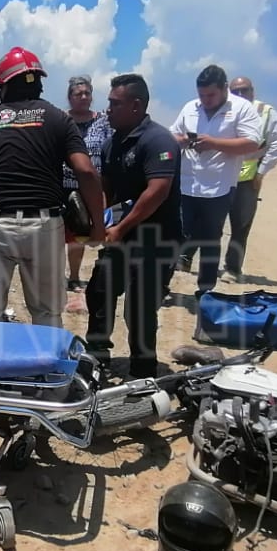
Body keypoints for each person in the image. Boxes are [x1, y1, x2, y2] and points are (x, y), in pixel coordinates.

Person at [0, 47, 105, 327]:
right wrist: (97, 225)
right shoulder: (58, 119)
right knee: (46, 314)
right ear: (39, 82)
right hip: (44, 225)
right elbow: (86, 171)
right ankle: (46, 370)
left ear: (0, 84)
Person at [85, 73, 183, 379]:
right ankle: (96, 359)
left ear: (136, 105)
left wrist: (120, 228)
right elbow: (107, 189)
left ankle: (143, 373)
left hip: (156, 241)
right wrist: (100, 222)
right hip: (122, 236)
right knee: (99, 291)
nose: (108, 109)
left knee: (139, 310)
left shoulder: (158, 141)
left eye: (115, 103)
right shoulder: (111, 143)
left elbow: (157, 192)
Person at [169, 65, 263, 298]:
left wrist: (213, 143)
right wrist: (184, 140)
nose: (205, 100)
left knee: (211, 239)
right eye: (202, 95)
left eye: (210, 95)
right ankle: (162, 283)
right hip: (187, 183)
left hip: (219, 187)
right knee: (176, 235)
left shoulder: (242, 108)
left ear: (224, 88)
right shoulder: (191, 108)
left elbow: (253, 142)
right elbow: (172, 135)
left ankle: (206, 290)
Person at [222, 77, 277, 281]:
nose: (240, 95)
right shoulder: (222, 110)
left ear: (253, 91)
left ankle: (232, 268)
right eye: (235, 91)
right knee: (206, 220)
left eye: (244, 90)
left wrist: (262, 171)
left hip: (248, 178)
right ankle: (187, 258)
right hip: (220, 175)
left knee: (241, 225)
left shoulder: (265, 112)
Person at [62, 75, 114, 303]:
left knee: (83, 234)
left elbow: (110, 150)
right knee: (62, 235)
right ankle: (56, 276)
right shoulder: (62, 121)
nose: (83, 97)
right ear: (70, 97)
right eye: (78, 94)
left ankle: (75, 277)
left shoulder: (103, 121)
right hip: (64, 184)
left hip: (92, 186)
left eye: (87, 93)